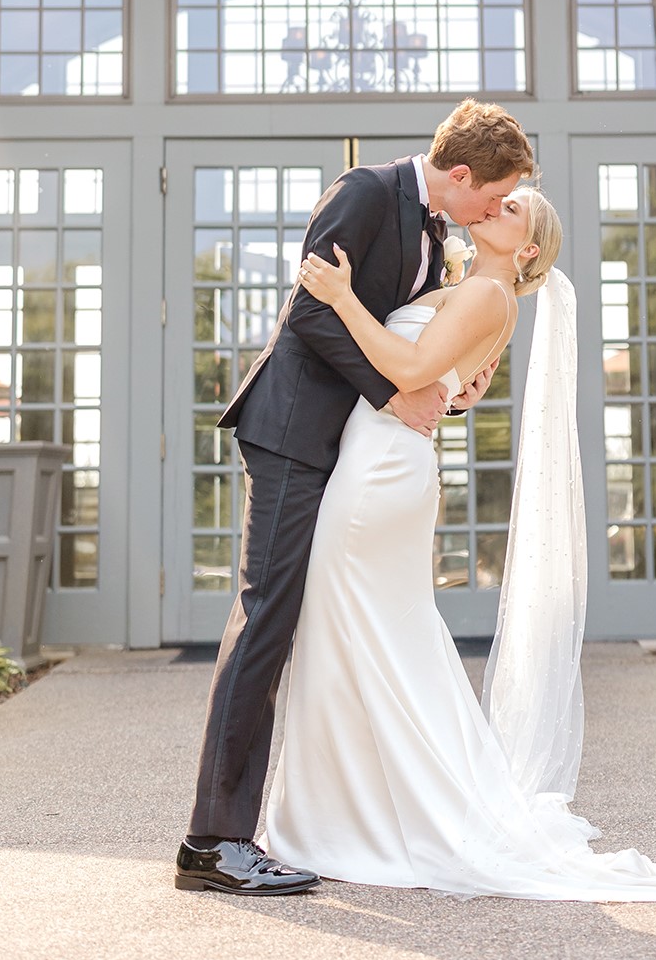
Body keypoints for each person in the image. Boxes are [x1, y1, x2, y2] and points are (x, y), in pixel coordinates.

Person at [262, 188, 656, 903]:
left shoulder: (491, 295)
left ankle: (348, 818)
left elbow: (406, 373)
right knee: (369, 636)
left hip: (379, 473)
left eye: (513, 211)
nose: (495, 207)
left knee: (357, 631)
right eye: (498, 200)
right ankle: (353, 810)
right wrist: (456, 387)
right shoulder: (470, 289)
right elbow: (452, 384)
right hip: (384, 464)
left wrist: (341, 296)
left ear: (526, 250)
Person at [176, 99, 536, 896]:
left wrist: (450, 386)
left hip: (345, 448)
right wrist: (392, 394)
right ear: (465, 173)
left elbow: (409, 339)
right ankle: (213, 841)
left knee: (307, 622)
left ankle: (310, 820)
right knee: (266, 614)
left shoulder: (438, 232)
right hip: (291, 433)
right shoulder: (367, 193)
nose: (493, 211)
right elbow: (309, 312)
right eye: (493, 195)